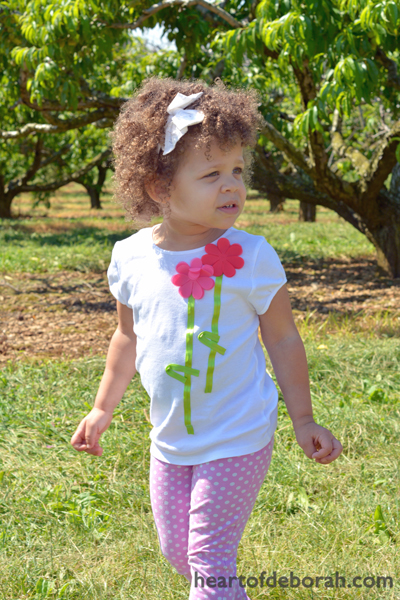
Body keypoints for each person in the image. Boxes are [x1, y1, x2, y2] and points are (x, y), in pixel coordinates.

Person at [70, 77, 343, 599]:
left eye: (238, 170)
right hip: (170, 441)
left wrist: (303, 418)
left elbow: (284, 340)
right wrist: (103, 409)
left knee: (208, 559)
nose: (232, 185)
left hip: (238, 433)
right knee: (181, 554)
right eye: (212, 173)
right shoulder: (130, 258)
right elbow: (126, 338)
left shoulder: (253, 256)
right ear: (158, 187)